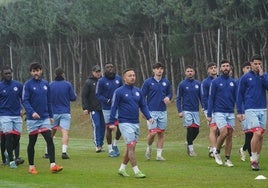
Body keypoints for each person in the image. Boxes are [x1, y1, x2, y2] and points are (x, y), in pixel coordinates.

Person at [109, 68, 154, 178]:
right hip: (124, 123)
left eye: (134, 75)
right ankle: (136, 170)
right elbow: (113, 107)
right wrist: (111, 122)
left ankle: (122, 169)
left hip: (136, 123)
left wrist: (149, 117)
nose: (132, 77)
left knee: (131, 148)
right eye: (130, 75)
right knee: (131, 146)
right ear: (124, 78)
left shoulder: (138, 91)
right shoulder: (119, 91)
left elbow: (143, 106)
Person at [22, 62, 63, 174]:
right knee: (32, 142)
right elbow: (25, 101)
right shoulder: (28, 84)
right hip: (32, 119)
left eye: (38, 70)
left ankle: (53, 165)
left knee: (49, 139)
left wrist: (50, 115)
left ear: (41, 71)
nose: (36, 73)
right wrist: (32, 112)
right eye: (34, 71)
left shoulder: (45, 84)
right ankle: (31, 167)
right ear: (31, 72)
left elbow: (49, 101)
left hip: (44, 117)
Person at [237, 54, 268, 171]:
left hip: (263, 108)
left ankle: (256, 159)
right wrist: (240, 111)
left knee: (261, 136)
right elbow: (239, 94)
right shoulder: (245, 78)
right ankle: (253, 160)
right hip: (250, 109)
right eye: (255, 64)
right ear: (251, 64)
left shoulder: (264, 76)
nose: (257, 66)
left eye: (259, 64)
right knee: (257, 133)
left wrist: (263, 75)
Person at [207, 60, 236, 167]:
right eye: (223, 66)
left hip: (230, 112)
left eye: (227, 66)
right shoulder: (215, 82)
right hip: (219, 112)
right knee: (223, 132)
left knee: (229, 135)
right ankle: (217, 151)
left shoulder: (234, 82)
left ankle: (227, 159)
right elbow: (211, 98)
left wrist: (241, 111)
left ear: (230, 68)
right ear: (220, 68)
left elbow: (237, 98)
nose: (225, 68)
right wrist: (209, 114)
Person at [43, 67, 76, 159]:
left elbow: (46, 98)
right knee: (65, 133)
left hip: (53, 113)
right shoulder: (67, 84)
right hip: (65, 112)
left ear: (54, 75)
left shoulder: (50, 85)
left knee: (50, 133)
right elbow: (73, 98)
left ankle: (47, 152)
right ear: (63, 74)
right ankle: (64, 152)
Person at [142, 62, 172, 161]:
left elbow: (170, 93)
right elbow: (142, 97)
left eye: (161, 69)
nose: (159, 70)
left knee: (161, 133)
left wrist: (168, 97)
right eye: (157, 69)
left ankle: (159, 155)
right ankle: (149, 148)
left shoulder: (166, 82)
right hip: (151, 111)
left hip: (162, 111)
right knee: (152, 133)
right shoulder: (148, 82)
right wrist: (143, 110)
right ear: (153, 70)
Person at [96, 63, 123, 157]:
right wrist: (106, 100)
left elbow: (123, 90)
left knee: (120, 126)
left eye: (111, 67)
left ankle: (115, 144)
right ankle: (110, 149)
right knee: (109, 128)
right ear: (105, 69)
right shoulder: (101, 81)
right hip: (107, 108)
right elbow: (98, 94)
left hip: (118, 107)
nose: (110, 69)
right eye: (108, 67)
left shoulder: (118, 79)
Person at [0, 66, 24, 168]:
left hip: (16, 115)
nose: (8, 75)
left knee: (17, 138)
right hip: (4, 115)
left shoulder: (18, 85)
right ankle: (11, 161)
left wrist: (23, 109)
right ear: (2, 74)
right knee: (8, 137)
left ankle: (7, 151)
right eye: (6, 73)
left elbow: (23, 98)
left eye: (9, 73)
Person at [176, 66, 202, 156]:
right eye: (188, 71)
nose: (190, 72)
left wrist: (204, 107)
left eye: (191, 71)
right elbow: (178, 98)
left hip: (196, 110)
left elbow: (201, 97)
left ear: (194, 72)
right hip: (186, 110)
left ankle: (188, 142)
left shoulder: (198, 84)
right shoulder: (182, 84)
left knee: (196, 130)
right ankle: (191, 150)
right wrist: (179, 110)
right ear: (185, 73)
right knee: (190, 129)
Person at [82, 65, 105, 153]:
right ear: (93, 72)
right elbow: (84, 96)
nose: (98, 73)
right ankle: (97, 145)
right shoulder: (88, 82)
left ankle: (101, 144)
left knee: (103, 126)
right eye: (96, 72)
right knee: (97, 125)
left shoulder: (103, 81)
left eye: (99, 71)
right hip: (93, 108)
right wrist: (85, 108)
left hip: (103, 108)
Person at [201, 62, 218, 158]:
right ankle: (214, 150)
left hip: (220, 108)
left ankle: (212, 147)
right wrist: (207, 110)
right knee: (213, 128)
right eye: (211, 68)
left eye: (215, 67)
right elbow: (204, 97)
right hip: (210, 109)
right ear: (208, 70)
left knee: (221, 131)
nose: (213, 69)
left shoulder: (220, 80)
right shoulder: (205, 82)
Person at [237, 61, 252, 162]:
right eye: (247, 67)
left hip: (253, 109)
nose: (249, 69)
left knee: (254, 133)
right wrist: (240, 111)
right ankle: (251, 156)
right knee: (249, 133)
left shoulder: (255, 80)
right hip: (244, 110)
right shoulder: (239, 81)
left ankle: (244, 149)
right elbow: (238, 97)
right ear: (243, 69)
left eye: (250, 68)